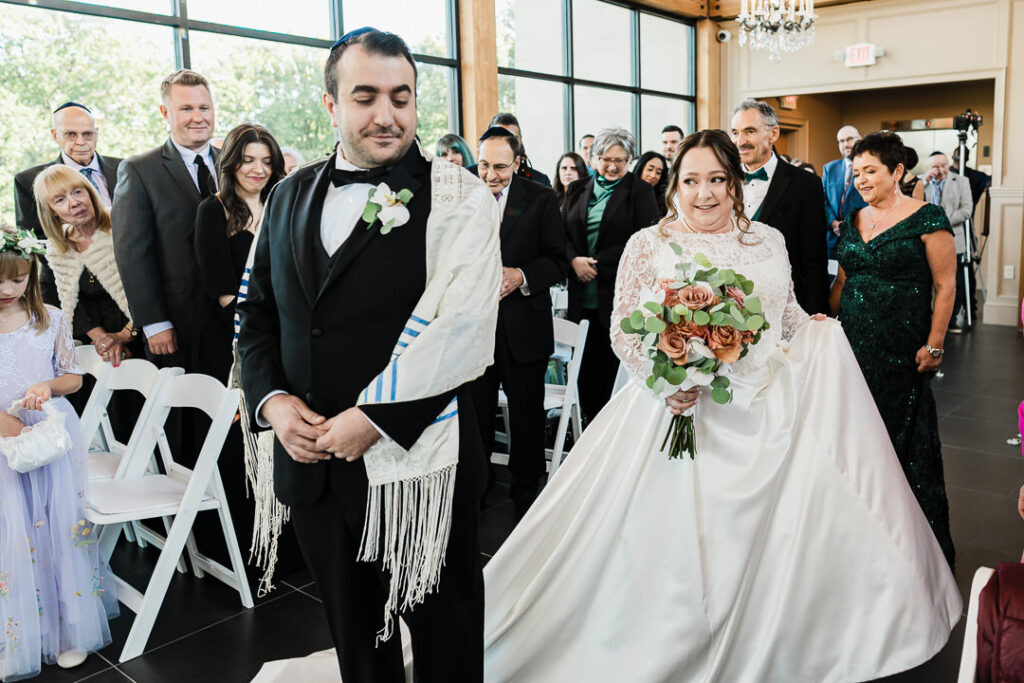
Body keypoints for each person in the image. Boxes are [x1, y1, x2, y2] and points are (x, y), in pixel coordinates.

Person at [481, 129, 962, 681]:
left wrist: (814, 327)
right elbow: (624, 332)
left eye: (716, 180)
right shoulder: (648, 244)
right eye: (691, 181)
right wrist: (667, 380)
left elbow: (784, 317)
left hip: (764, 405)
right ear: (673, 187)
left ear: (734, 184)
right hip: (675, 409)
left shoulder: (769, 241)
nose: (704, 193)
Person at [236, 27, 500, 683]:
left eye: (401, 96)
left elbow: (464, 325)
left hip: (418, 469)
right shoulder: (288, 194)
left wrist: (373, 417)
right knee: (358, 646)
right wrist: (271, 402)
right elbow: (257, 310)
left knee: (447, 642)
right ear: (331, 105)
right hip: (315, 467)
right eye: (366, 96)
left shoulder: (458, 194)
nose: (387, 114)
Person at [831, 131, 958, 563]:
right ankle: (861, 533)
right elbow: (843, 281)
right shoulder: (852, 220)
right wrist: (822, 322)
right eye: (856, 172)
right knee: (857, 437)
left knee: (901, 438)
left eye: (870, 170)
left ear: (898, 171)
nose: (862, 179)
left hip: (903, 348)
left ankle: (910, 545)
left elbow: (945, 285)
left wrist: (935, 344)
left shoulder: (927, 217)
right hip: (851, 345)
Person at [0, 225, 120, 679]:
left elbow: (73, 378)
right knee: (11, 529)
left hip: (48, 433)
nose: (7, 290)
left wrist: (46, 386)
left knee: (57, 525)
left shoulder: (49, 317)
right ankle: (19, 629)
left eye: (16, 279)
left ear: (30, 274)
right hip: (2, 435)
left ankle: (70, 626)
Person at [469, 126, 568, 511]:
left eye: (499, 166)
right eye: (483, 165)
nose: (490, 175)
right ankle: (477, 490)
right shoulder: (464, 199)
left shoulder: (541, 199)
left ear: (518, 163)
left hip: (524, 327)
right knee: (475, 415)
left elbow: (557, 261)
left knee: (527, 417)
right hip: (475, 330)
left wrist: (521, 276)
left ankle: (527, 495)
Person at [112, 68, 218, 374]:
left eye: (204, 108)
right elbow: (132, 253)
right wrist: (154, 321)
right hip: (175, 325)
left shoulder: (234, 163)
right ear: (165, 112)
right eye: (186, 109)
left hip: (232, 321)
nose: (197, 117)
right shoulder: (139, 170)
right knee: (183, 417)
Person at [32, 165, 142, 440]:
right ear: (51, 211)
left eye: (77, 191)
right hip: (95, 348)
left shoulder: (124, 225)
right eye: (60, 200)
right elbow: (62, 303)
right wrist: (102, 340)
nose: (74, 203)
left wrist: (125, 336)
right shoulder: (58, 249)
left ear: (90, 191)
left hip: (142, 338)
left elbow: (149, 286)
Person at [562, 127, 658, 422]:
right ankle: (587, 429)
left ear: (630, 160)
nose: (613, 165)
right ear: (594, 158)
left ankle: (611, 429)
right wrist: (574, 261)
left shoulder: (640, 191)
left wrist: (595, 263)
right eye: (606, 158)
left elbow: (644, 240)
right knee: (583, 372)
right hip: (580, 294)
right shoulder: (578, 188)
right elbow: (561, 233)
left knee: (611, 371)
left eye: (621, 159)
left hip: (616, 294)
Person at [193, 123, 285, 384]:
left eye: (267, 162)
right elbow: (222, 291)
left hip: (279, 333)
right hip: (228, 335)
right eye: (248, 161)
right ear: (232, 163)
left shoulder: (280, 206)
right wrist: (261, 334)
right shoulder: (212, 209)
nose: (259, 170)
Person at [730, 99, 829, 314]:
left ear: (773, 134)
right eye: (735, 132)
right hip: (731, 304)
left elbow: (814, 260)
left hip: (784, 303)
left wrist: (816, 315)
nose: (740, 141)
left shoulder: (805, 184)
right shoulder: (722, 180)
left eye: (749, 131)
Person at [14, 102, 121, 238]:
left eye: (88, 134)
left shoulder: (125, 168)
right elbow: (34, 238)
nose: (81, 142)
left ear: (96, 133)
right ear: (55, 135)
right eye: (71, 134)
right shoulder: (28, 181)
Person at [923, 151, 974, 333]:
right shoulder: (922, 183)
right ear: (928, 168)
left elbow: (967, 209)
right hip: (926, 241)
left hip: (954, 239)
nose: (941, 170)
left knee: (953, 282)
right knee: (926, 282)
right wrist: (923, 183)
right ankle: (927, 320)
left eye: (944, 165)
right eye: (935, 166)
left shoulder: (961, 181)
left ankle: (950, 320)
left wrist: (943, 221)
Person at [823, 124, 867, 259]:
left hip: (862, 236)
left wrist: (850, 226)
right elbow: (822, 199)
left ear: (860, 139)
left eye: (849, 139)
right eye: (841, 141)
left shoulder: (870, 167)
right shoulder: (830, 168)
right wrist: (833, 223)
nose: (846, 144)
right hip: (833, 238)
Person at [474, 113, 550, 187]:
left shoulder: (541, 182)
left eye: (513, 139)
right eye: (500, 137)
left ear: (521, 140)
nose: (508, 144)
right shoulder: (466, 178)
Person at [632, 150, 669, 216]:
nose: (653, 175)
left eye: (658, 172)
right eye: (650, 169)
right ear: (641, 168)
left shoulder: (663, 201)